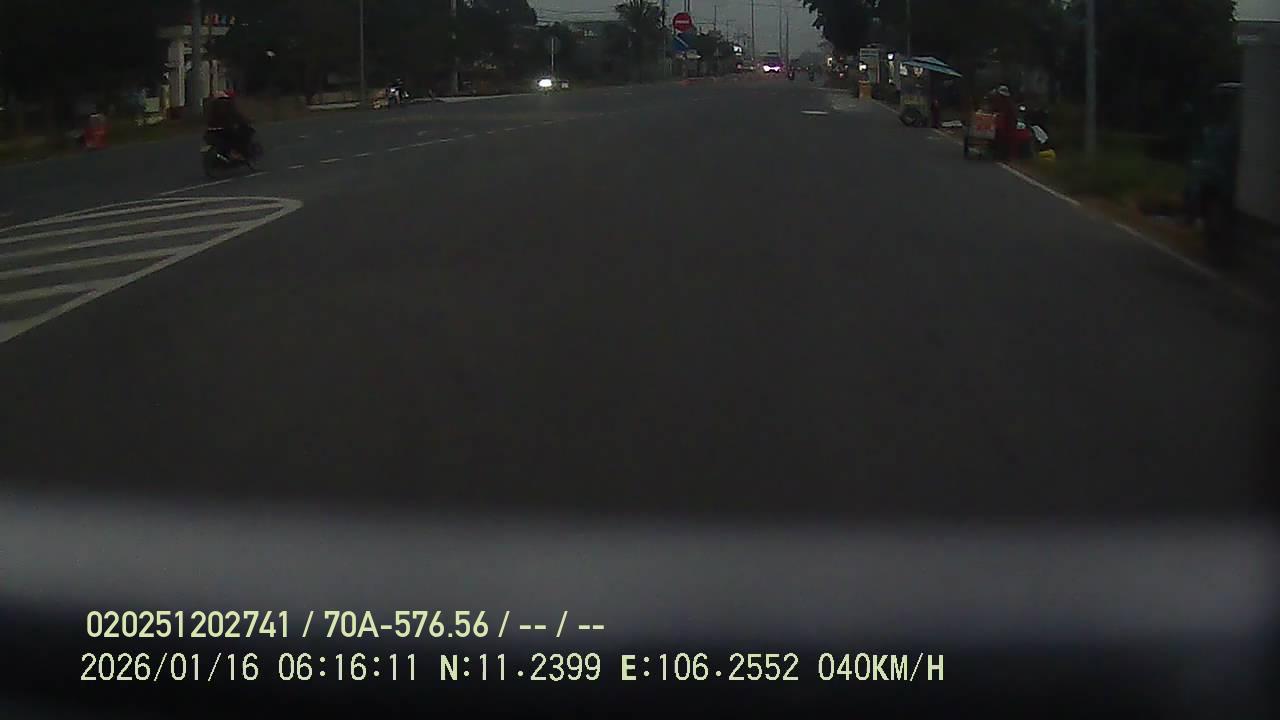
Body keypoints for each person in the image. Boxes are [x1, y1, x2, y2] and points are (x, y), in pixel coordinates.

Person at [205, 90, 254, 160]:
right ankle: (234, 153)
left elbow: (208, 119)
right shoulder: (227, 104)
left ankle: (231, 153)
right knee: (239, 136)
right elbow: (236, 116)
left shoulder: (211, 106)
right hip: (224, 129)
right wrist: (245, 121)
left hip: (211, 130)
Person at [990, 85, 1017, 162]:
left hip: (1007, 124)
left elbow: (1012, 114)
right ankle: (1000, 155)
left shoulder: (1009, 103)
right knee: (1000, 138)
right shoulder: (997, 101)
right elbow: (993, 110)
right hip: (1001, 124)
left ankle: (1004, 156)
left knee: (1005, 139)